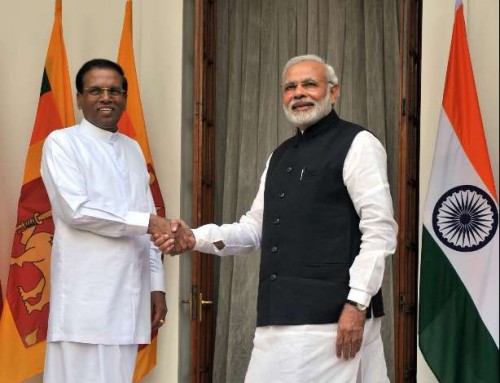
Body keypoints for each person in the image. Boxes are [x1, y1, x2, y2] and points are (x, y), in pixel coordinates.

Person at [157, 54, 398, 383]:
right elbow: (254, 229)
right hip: (277, 316)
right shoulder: (279, 155)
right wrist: (194, 238)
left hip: (331, 318)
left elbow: (379, 232)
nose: (299, 93)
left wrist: (356, 304)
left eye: (309, 84)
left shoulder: (358, 144)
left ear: (333, 91)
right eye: (290, 87)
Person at [41, 58, 175, 383]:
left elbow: (149, 225)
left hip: (128, 304)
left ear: (124, 98)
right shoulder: (62, 143)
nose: (106, 97)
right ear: (79, 98)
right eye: (95, 90)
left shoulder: (131, 149)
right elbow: (77, 211)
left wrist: (156, 287)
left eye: (114, 90)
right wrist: (147, 222)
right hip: (84, 306)